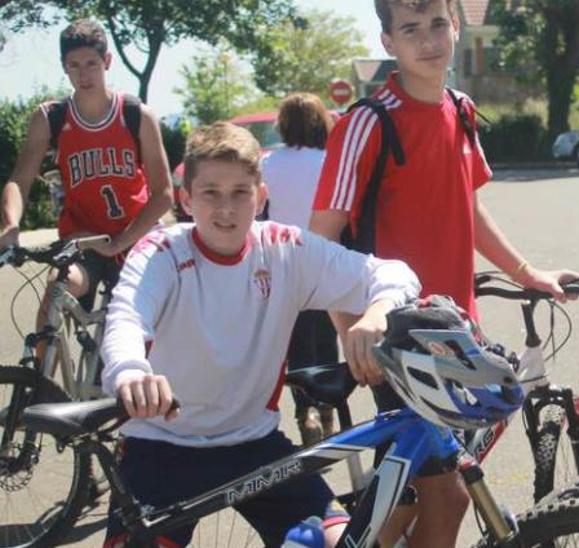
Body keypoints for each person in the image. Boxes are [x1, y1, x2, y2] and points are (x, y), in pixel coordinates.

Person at [307, 1, 579, 545]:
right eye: (411, 29)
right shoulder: (367, 122)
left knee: (409, 496)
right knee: (449, 492)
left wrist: (527, 272)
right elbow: (321, 243)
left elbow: (469, 208)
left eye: (438, 24)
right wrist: (351, 336)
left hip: (454, 332)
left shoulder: (459, 108)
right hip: (398, 342)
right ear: (388, 42)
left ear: (457, 26)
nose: (429, 40)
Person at [100, 122, 421, 547]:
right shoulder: (160, 251)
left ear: (262, 196)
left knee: (337, 544)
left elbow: (393, 273)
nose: (226, 209)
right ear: (185, 198)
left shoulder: (285, 248)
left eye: (240, 192)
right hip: (160, 445)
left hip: (253, 443)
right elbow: (125, 317)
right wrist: (130, 371)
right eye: (210, 192)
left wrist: (377, 314)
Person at [0, 19, 173, 332]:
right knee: (57, 287)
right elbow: (19, 179)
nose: (84, 74)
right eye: (74, 65)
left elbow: (163, 195)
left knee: (134, 330)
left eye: (92, 63)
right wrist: (11, 224)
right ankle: (37, 380)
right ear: (64, 67)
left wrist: (119, 242)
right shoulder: (51, 118)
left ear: (107, 61)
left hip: (135, 241)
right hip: (84, 242)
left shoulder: (137, 115)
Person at [261, 92, 340, 446]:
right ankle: (328, 409)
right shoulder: (331, 163)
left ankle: (303, 411)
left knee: (295, 345)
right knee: (326, 340)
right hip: (325, 261)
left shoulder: (269, 163)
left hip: (284, 264)